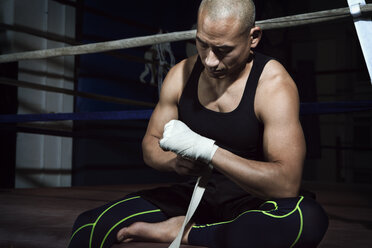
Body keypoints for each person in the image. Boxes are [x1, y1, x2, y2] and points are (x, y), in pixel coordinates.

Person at [68, 0, 329, 247]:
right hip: (196, 195)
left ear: (253, 38)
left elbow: (285, 184)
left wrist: (208, 151)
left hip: (254, 202)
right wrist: (174, 162)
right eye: (203, 44)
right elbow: (150, 145)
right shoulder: (180, 75)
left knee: (306, 219)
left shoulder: (273, 85)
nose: (210, 60)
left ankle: (187, 232)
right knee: (89, 226)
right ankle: (205, 229)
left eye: (223, 50)